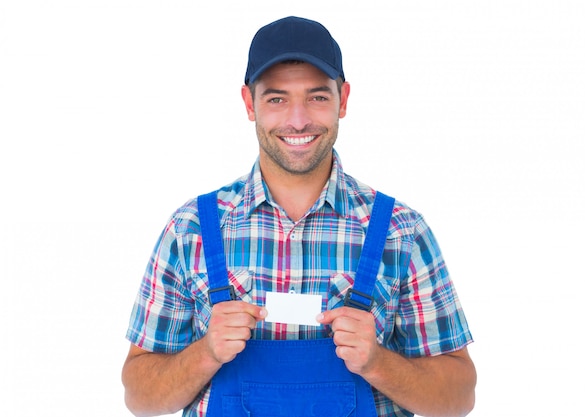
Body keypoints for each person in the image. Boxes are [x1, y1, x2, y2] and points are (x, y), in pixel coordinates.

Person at [122, 16, 476, 417]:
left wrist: (377, 362)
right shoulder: (191, 230)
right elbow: (140, 397)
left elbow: (459, 397)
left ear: (343, 99)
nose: (297, 119)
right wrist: (206, 353)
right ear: (248, 102)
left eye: (317, 97)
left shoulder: (401, 231)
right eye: (276, 98)